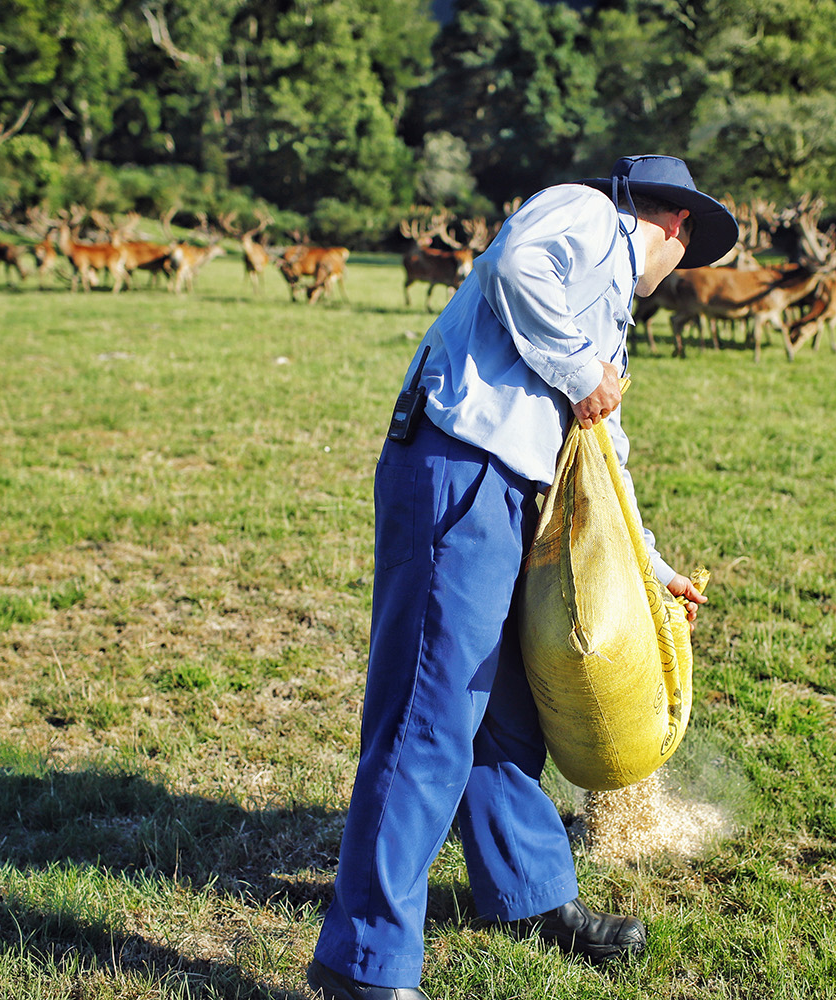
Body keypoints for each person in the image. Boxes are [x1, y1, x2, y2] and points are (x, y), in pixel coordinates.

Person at [307, 155, 740, 1000]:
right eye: (689, 247)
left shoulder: (608, 312)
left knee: (504, 712)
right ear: (674, 224)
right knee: (427, 715)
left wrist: (649, 570)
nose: (684, 267)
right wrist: (584, 374)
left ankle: (530, 896)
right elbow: (516, 267)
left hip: (521, 494)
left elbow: (599, 453)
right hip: (458, 466)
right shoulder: (583, 213)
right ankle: (361, 964)